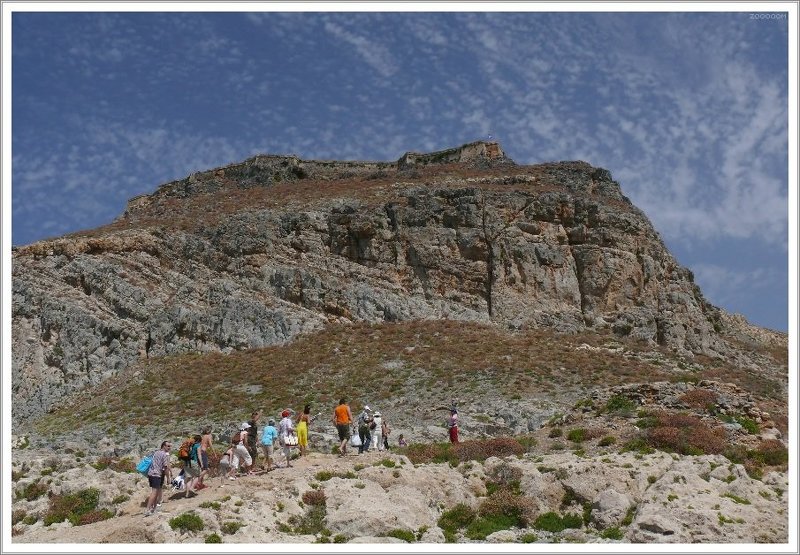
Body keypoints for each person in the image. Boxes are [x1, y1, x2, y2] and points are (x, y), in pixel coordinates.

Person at [145, 440, 172, 516]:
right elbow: (166, 467)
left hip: (151, 474)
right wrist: (168, 478)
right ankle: (147, 509)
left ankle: (154, 508)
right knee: (154, 492)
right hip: (156, 475)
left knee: (156, 492)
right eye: (168, 446)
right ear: (164, 446)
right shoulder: (164, 455)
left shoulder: (156, 452)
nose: (169, 448)